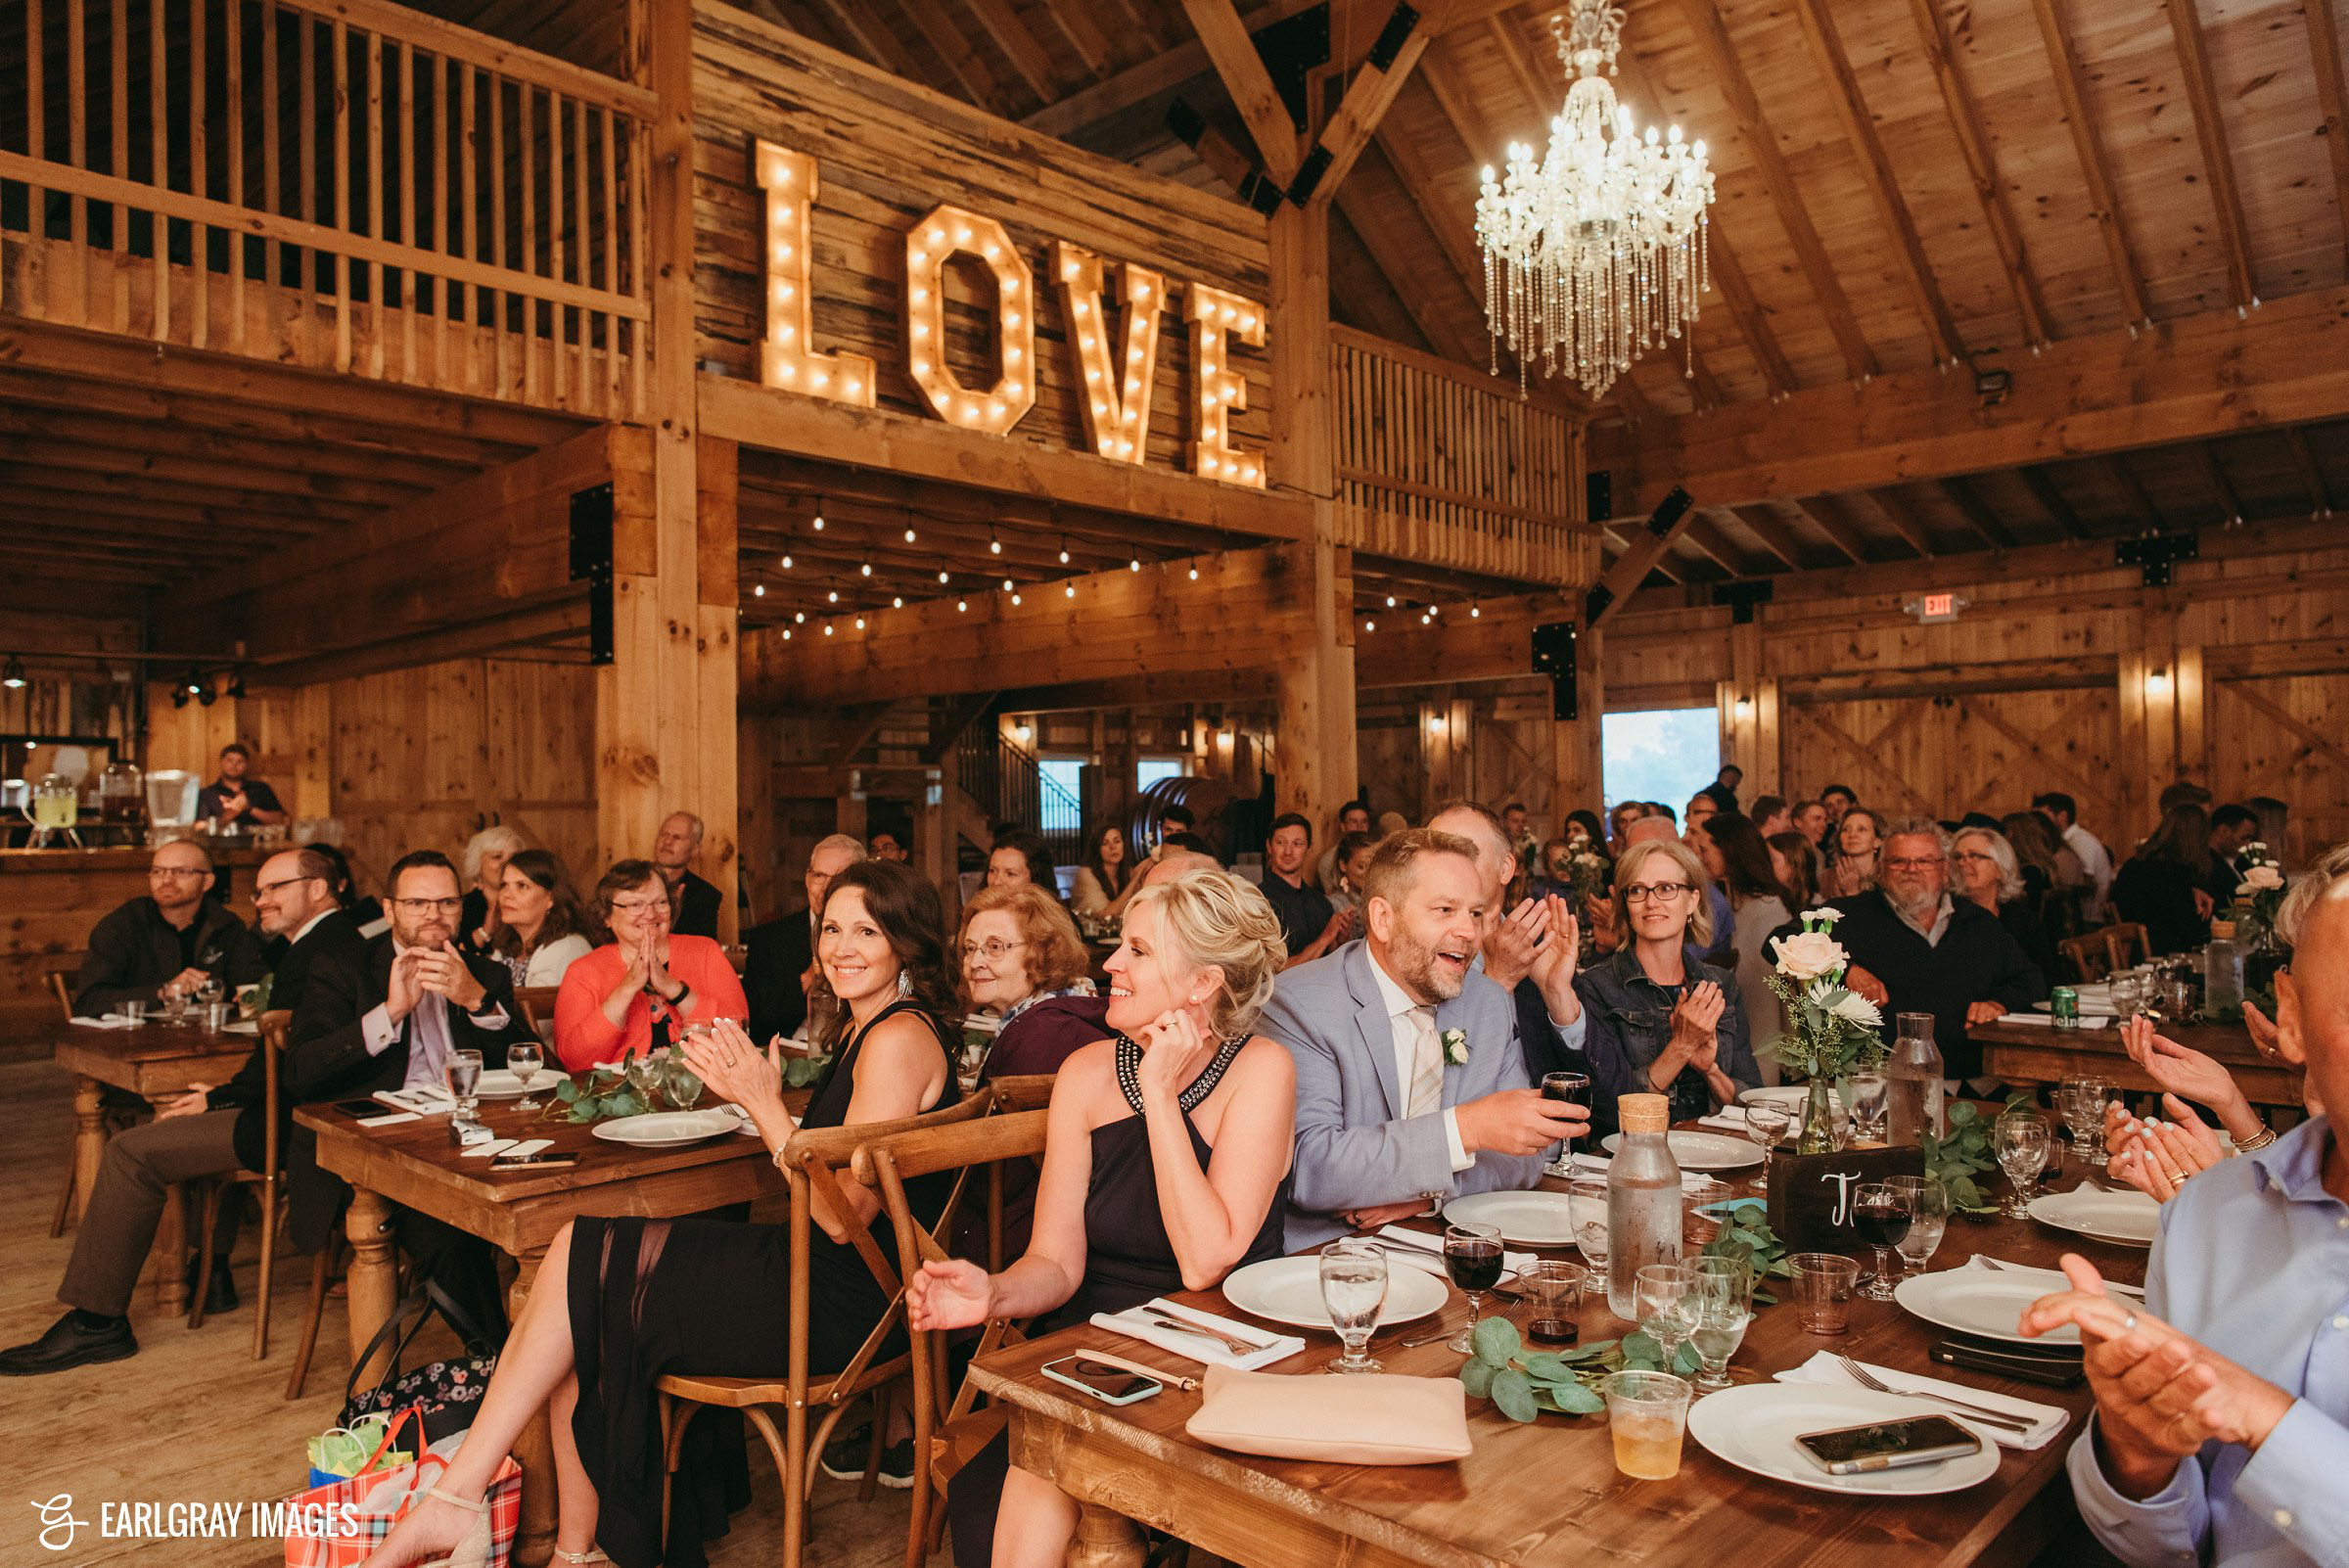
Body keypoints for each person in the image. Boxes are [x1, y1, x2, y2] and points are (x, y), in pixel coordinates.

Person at [349, 860, 965, 1568]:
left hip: (842, 1303)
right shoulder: (876, 1028)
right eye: (832, 928)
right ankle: (569, 1553)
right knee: (583, 1296)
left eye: (868, 930)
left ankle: (463, 1505)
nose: (842, 946)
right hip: (824, 1273)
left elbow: (840, 1218)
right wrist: (756, 1101)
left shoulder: (894, 1040)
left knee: (580, 1266)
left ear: (906, 944)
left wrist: (763, 1104)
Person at [907, 867, 1294, 1568]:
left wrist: (1159, 1095)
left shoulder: (1261, 1070)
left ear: (1203, 982)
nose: (1109, 962)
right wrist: (994, 1290)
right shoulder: (1086, 1074)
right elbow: (1056, 1262)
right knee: (1043, 1466)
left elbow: (1206, 1260)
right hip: (1096, 1352)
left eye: (1138, 951)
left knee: (1058, 1467)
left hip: (1216, 1359)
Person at [2021, 847, 2349, 1568]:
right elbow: (2166, 1549)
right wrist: (2136, 1458)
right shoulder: (2209, 1216)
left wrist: (2268, 1419)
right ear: (2291, 1020)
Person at [0, 850, 364, 1374]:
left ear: (318, 889)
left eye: (273, 889)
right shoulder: (329, 943)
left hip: (296, 1126)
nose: (260, 900)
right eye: (257, 890)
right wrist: (220, 1093)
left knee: (130, 1151)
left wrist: (221, 1096)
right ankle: (210, 1269)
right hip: (291, 1109)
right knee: (180, 1119)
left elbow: (295, 1067)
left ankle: (97, 1323)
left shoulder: (317, 955)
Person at [1263, 828, 1589, 1251]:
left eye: (1475, 913)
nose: (1469, 933)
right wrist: (1466, 1128)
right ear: (1383, 918)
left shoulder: (1487, 1001)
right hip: (1333, 1260)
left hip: (1455, 1246)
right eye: (1445, 910)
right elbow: (1310, 1167)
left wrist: (1428, 1197)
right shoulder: (1301, 1004)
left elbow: (1527, 1157)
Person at [282, 851, 534, 1332]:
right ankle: (497, 1361)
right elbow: (302, 1072)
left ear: (463, 909)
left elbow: (535, 1069)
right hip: (375, 1154)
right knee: (449, 1231)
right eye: (417, 903)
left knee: (551, 1209)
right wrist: (391, 1013)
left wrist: (476, 1001)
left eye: (446, 903)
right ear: (389, 909)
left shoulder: (486, 974)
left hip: (474, 1141)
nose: (434, 915)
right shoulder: (341, 967)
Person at [1831, 819, 2045, 1081]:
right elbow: (1780, 940)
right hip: (1883, 1082)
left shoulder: (1977, 922)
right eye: (1898, 861)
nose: (1911, 869)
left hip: (1972, 1082)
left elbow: (2031, 981)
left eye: (1924, 861)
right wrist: (1846, 970)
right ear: (1881, 871)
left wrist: (1998, 1003)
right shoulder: (1852, 914)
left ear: (1945, 870)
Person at [1577, 839, 1761, 1123]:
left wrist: (1710, 1070)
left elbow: (1752, 1103)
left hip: (1717, 1151)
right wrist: (1681, 1047)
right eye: (1637, 890)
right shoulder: (1597, 987)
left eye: (1666, 889)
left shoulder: (1721, 985)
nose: (1651, 902)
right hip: (1635, 1155)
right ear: (1626, 905)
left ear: (1692, 901)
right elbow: (1607, 1110)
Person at [1424, 803, 1590, 1107]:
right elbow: (1435, 1087)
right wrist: (1497, 981)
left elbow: (1603, 1097)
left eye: (1464, 853)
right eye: (1435, 855)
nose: (1447, 869)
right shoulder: (1418, 956)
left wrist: (1558, 993)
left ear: (1506, 868)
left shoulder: (1540, 943)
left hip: (1553, 1146)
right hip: (1468, 1147)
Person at [552, 859, 749, 1071]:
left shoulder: (704, 951)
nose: (651, 914)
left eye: (661, 902)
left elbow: (739, 1034)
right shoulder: (584, 971)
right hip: (619, 1095)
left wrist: (675, 989)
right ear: (606, 916)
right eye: (635, 905)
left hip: (699, 1085)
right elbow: (575, 1061)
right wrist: (625, 990)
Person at [74, 839, 269, 1015]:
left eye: (180, 872)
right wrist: (164, 992)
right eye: (158, 872)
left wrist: (249, 997)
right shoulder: (122, 925)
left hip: (212, 1041)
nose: (166, 880)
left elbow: (254, 986)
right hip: (134, 1044)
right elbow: (88, 1002)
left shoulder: (225, 925)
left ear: (207, 882)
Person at [962, 885, 1107, 1084]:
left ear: (1041, 952)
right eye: (970, 948)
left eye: (995, 947)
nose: (975, 962)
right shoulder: (1051, 1014)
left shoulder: (1041, 1038)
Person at [1696, 813, 1792, 1083]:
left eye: (1705, 849)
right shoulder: (1735, 903)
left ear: (1728, 849)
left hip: (1758, 1050)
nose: (1701, 857)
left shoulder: (1765, 910)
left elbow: (1762, 1002)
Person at [741, 835, 862, 1044]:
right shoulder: (768, 937)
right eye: (819, 876)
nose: (827, 887)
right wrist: (806, 981)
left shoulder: (876, 938)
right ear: (807, 879)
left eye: (840, 877)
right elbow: (754, 1014)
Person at [1953, 828, 2059, 985]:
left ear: (2000, 869)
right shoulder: (1945, 919)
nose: (1963, 863)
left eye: (1974, 856)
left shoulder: (2024, 923)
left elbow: (2045, 981)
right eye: (1957, 857)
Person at [2112, 804, 2217, 956]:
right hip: (2159, 957)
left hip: (2132, 952)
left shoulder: (2137, 863)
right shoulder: (2171, 872)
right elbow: (2193, 933)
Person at [485, 849, 598, 989]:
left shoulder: (565, 949)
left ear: (551, 898)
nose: (507, 895)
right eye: (504, 885)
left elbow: (534, 1009)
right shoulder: (507, 946)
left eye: (522, 886)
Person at [1258, 812, 1349, 966]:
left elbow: (1331, 962)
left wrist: (1340, 941)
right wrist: (1325, 938)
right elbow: (1273, 970)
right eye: (1281, 843)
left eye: (1297, 844)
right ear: (1269, 846)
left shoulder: (1321, 902)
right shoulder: (1258, 901)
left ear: (1309, 847)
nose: (1288, 851)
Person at [2035, 791, 2114, 922]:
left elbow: (2086, 884)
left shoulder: (2081, 842)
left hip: (2089, 923)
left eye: (2043, 817)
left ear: (2062, 816)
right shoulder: (2068, 842)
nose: (2038, 823)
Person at [653, 811, 723, 938]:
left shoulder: (705, 896)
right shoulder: (627, 882)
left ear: (695, 849)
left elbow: (701, 948)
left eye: (677, 837)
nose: (668, 841)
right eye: (664, 834)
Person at [457, 826, 527, 952]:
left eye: (514, 857)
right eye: (497, 856)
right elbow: (455, 955)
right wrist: (486, 931)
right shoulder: (462, 908)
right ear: (477, 864)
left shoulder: (530, 903)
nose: (507, 863)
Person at [195, 742, 287, 828]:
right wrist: (228, 816)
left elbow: (280, 820)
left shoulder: (261, 789)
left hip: (258, 843)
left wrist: (249, 808)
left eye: (240, 761)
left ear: (246, 765)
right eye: (229, 760)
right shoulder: (207, 794)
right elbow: (199, 827)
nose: (234, 765)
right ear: (221, 762)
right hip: (220, 844)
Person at [1068, 821, 1130, 917]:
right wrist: (1135, 879)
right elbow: (1106, 914)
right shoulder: (1086, 874)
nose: (1112, 847)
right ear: (1097, 849)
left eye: (1117, 841)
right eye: (1105, 843)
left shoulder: (1128, 872)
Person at [1823, 807, 1885, 899]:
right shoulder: (1826, 878)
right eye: (1845, 830)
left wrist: (1851, 892)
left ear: (1878, 841)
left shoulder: (1887, 877)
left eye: (1861, 829)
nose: (1852, 835)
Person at [2204, 804, 2259, 904]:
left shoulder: (2242, 863)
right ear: (2223, 831)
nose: (2247, 845)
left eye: (2250, 839)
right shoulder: (2206, 866)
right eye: (2244, 838)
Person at [1316, 799, 1372, 894]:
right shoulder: (1328, 860)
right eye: (1353, 822)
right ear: (1343, 826)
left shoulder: (1377, 852)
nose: (1359, 826)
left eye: (1364, 821)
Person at [987, 829, 1060, 901]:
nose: (996, 882)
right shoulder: (980, 912)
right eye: (992, 871)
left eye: (1010, 874)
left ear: (1036, 879)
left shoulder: (1054, 913)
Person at [1767, 830, 1820, 914]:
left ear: (1794, 863)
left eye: (1772, 860)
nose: (1766, 865)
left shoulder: (1819, 909)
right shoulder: (1768, 902)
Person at [1325, 829, 1376, 916]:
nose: (1368, 873)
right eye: (1361, 866)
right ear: (1343, 865)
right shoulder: (1332, 904)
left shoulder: (1379, 900)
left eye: (1372, 866)